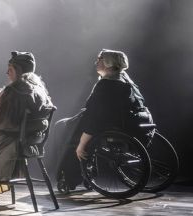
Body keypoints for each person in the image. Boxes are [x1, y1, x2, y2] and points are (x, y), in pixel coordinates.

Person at [54, 49, 153, 191]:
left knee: (64, 130)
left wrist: (82, 144)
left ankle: (70, 178)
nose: (96, 63)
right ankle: (86, 174)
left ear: (108, 63)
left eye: (99, 60)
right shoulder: (125, 80)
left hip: (105, 125)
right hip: (123, 121)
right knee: (63, 124)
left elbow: (95, 118)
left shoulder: (106, 85)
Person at [0, 51, 55, 204]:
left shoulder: (16, 91)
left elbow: (4, 121)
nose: (7, 72)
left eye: (10, 69)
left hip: (13, 141)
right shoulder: (39, 89)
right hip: (31, 139)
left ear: (19, 71)